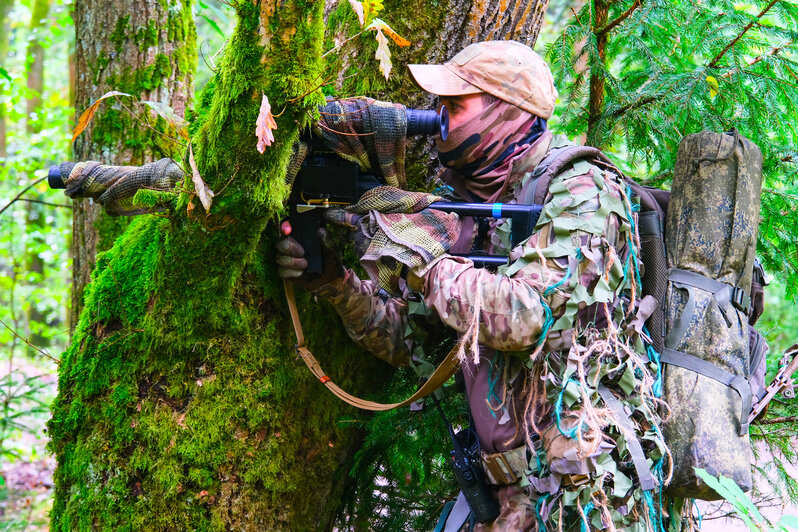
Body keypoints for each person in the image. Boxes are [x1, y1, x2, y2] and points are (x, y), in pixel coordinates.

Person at [277, 40, 669, 531]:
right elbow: (415, 344)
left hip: (586, 497)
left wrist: (422, 260)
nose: (438, 117)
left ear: (507, 111)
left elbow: (529, 316)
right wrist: (332, 281)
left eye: (454, 104)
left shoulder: (580, 189)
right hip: (508, 497)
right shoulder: (461, 207)